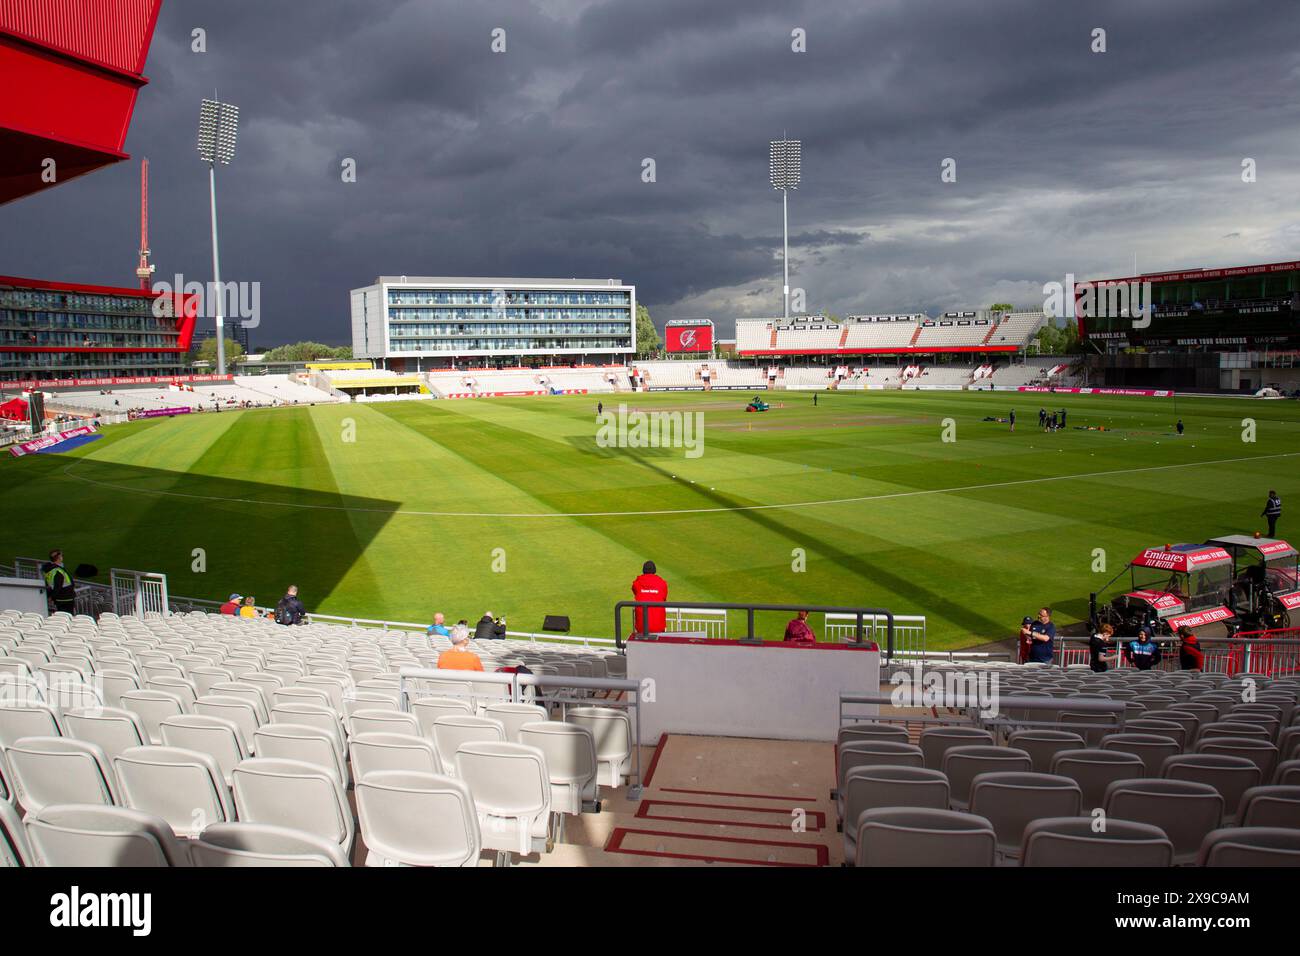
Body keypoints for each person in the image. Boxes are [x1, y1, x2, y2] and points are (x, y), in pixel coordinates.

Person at [631, 560, 668, 635]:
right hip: (659, 627)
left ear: (643, 570)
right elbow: (664, 597)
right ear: (655, 570)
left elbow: (635, 590)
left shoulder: (637, 582)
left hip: (642, 628)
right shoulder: (662, 583)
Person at [41, 549, 76, 615]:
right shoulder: (57, 571)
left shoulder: (50, 570)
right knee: (67, 617)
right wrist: (52, 597)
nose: (62, 557)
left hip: (60, 598)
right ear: (59, 558)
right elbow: (58, 586)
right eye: (62, 555)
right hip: (65, 599)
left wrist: (51, 597)